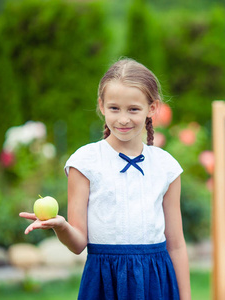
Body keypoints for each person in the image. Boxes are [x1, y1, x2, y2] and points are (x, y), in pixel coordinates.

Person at [19, 58, 191, 300]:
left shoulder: (166, 166)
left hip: (156, 281)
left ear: (152, 108)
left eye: (133, 109)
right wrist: (61, 226)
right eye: (114, 108)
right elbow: (78, 244)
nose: (123, 119)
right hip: (104, 281)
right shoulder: (85, 162)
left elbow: (176, 245)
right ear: (101, 105)